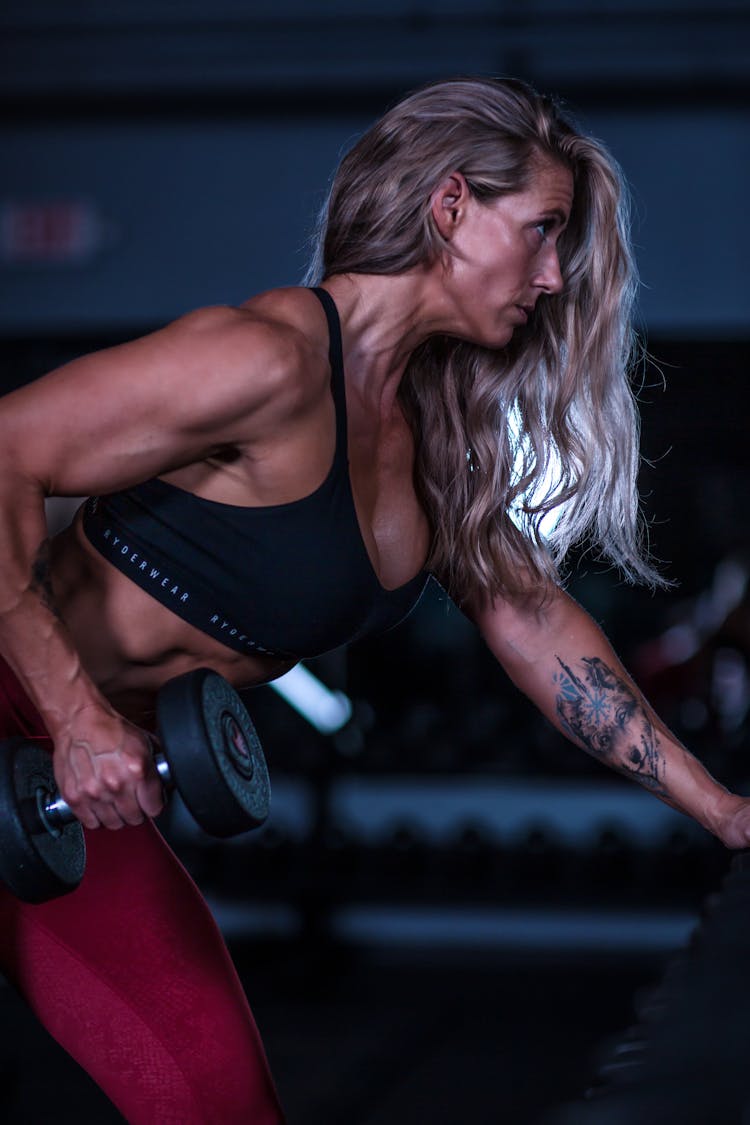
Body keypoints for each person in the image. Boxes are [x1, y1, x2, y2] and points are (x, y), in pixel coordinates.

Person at [0, 75, 747, 1123]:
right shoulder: (268, 359)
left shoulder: (433, 444)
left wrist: (720, 806)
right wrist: (77, 716)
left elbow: (534, 625)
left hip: (67, 786)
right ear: (450, 209)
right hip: (45, 718)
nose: (551, 274)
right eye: (540, 231)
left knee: (215, 1097)